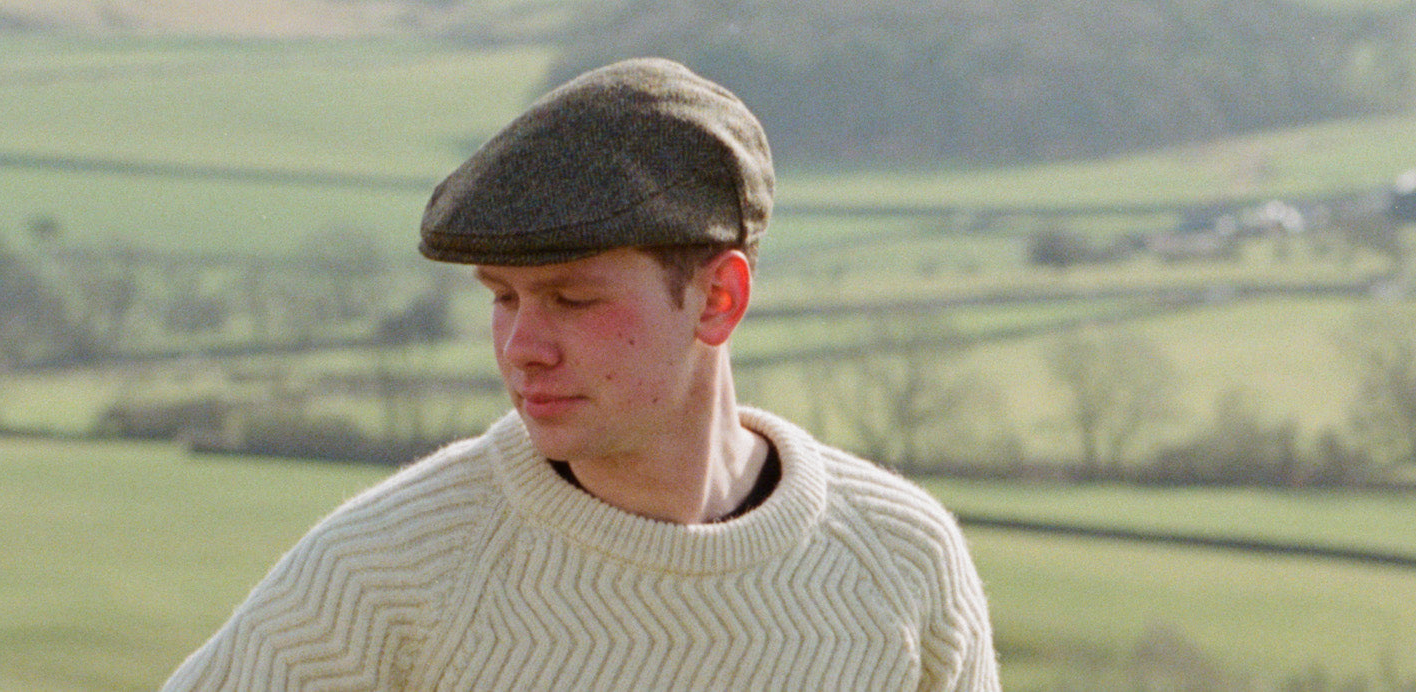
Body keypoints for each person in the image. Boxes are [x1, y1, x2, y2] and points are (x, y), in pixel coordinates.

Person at [161, 57, 998, 690]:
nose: (522, 346)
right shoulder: (390, 572)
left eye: (571, 299)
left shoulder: (899, 560)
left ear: (718, 298)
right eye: (502, 298)